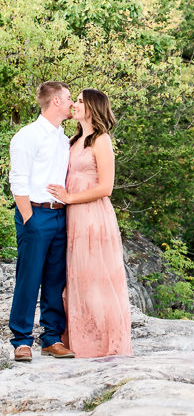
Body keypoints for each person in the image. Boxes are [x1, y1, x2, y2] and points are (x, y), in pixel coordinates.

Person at [47, 89, 132, 358]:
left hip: (93, 216)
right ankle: (78, 338)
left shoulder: (101, 140)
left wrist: (70, 197)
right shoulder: (74, 140)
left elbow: (106, 187)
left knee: (96, 278)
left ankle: (102, 344)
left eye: (81, 101)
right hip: (72, 217)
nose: (75, 104)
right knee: (75, 278)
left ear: (93, 107)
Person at [9, 81, 76, 361]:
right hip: (35, 214)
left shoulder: (63, 138)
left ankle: (51, 338)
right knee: (29, 278)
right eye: (70, 98)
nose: (73, 103)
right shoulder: (27, 136)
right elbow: (18, 180)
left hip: (61, 215)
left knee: (54, 280)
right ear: (56, 102)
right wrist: (29, 218)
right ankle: (22, 340)